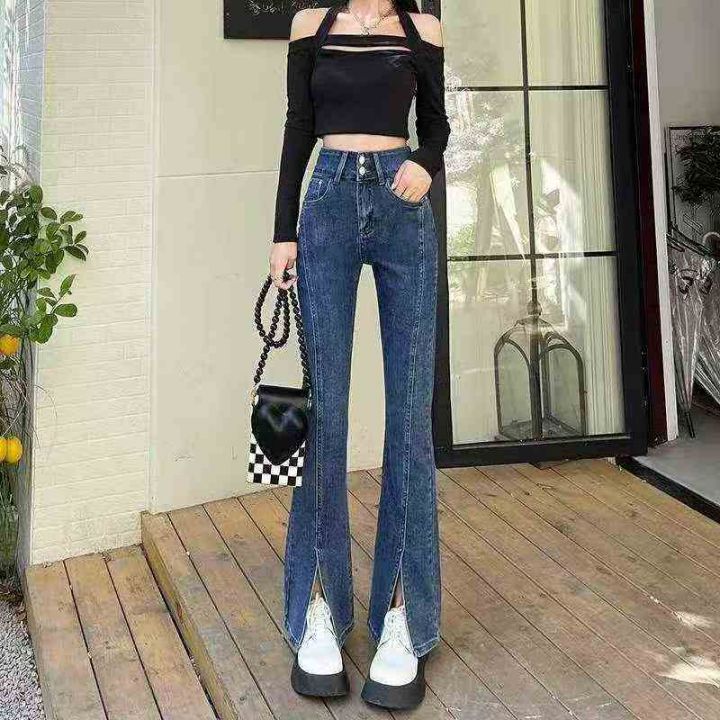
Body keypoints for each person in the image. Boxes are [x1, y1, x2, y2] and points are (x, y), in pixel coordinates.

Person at [269, 0, 449, 709]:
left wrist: (426, 163)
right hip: (328, 202)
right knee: (323, 413)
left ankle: (402, 613)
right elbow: (297, 127)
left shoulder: (422, 30)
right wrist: (282, 232)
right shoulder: (309, 26)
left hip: (404, 206)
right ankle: (319, 604)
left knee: (409, 418)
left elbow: (436, 125)